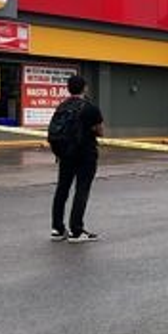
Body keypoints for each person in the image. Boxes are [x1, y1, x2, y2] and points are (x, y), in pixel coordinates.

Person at [50, 75, 104, 243]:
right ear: (85, 88)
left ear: (68, 88)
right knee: (81, 190)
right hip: (85, 154)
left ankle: (57, 229)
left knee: (62, 190)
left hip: (65, 154)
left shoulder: (62, 106)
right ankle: (76, 231)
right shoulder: (90, 108)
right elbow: (100, 131)